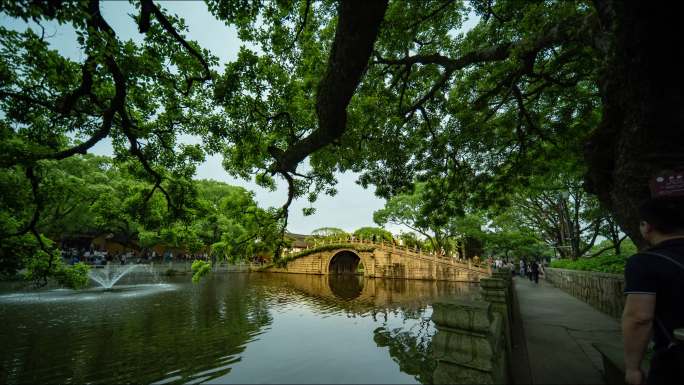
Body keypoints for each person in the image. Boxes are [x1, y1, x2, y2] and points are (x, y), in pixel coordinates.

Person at [623, 197, 684, 384]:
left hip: (675, 363)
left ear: (646, 226)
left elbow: (639, 318)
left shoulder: (645, 262)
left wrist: (633, 369)